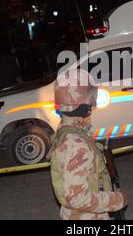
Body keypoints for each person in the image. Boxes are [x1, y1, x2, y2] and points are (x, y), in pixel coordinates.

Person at [50, 68, 128, 220]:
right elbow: (78, 198)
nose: (93, 105)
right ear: (81, 102)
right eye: (90, 97)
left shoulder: (64, 131)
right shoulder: (77, 143)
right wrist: (118, 199)